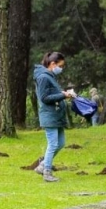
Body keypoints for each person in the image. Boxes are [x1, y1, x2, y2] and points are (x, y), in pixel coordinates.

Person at [33, 52, 73, 182]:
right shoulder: (44, 77)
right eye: (60, 66)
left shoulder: (50, 76)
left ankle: (43, 165)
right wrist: (63, 95)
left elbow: (52, 93)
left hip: (56, 115)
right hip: (49, 115)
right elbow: (44, 98)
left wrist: (62, 93)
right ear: (52, 64)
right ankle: (47, 172)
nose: (61, 69)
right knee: (53, 143)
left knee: (60, 143)